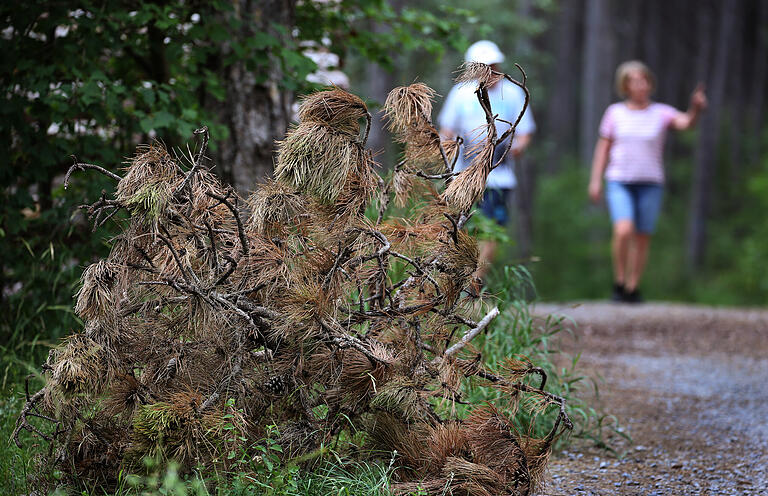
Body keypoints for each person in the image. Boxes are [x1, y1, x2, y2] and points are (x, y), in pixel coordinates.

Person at [588, 60, 707, 303]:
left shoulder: (661, 113)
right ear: (625, 86)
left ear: (650, 83)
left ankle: (633, 286)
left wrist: (695, 109)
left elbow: (685, 123)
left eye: (644, 80)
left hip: (651, 182)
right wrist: (595, 181)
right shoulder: (615, 113)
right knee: (623, 230)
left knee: (642, 236)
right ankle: (619, 281)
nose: (640, 84)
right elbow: (603, 148)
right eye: (634, 80)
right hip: (619, 180)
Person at [438, 40, 535, 280]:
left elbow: (525, 133)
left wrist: (512, 150)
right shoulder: (461, 93)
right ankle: (460, 279)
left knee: (491, 231)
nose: (491, 72)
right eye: (485, 67)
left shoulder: (513, 93)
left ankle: (476, 280)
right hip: (464, 176)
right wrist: (450, 150)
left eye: (494, 66)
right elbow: (446, 130)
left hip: (499, 178)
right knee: (464, 228)